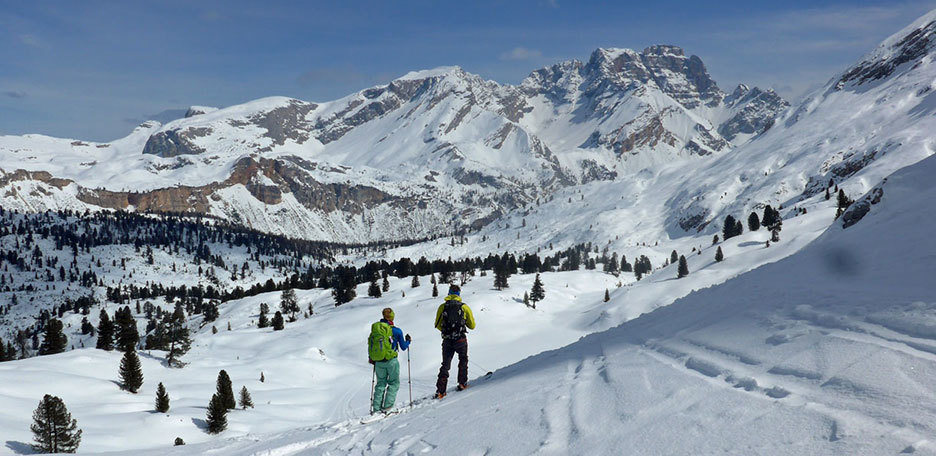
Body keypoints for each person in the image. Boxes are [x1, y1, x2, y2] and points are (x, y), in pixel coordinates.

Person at [434, 284, 475, 398]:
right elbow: (472, 325)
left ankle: (441, 391)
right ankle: (462, 383)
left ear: (449, 293)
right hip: (460, 339)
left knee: (445, 365)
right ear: (459, 294)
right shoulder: (464, 307)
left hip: (447, 340)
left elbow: (437, 324)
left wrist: (447, 331)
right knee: (463, 359)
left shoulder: (442, 307)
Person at [369, 307, 411, 414]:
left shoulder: (377, 330)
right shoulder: (397, 331)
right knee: (393, 383)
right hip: (391, 361)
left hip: (379, 361)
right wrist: (408, 341)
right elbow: (403, 347)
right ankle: (387, 407)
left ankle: (376, 409)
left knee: (380, 384)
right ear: (392, 317)